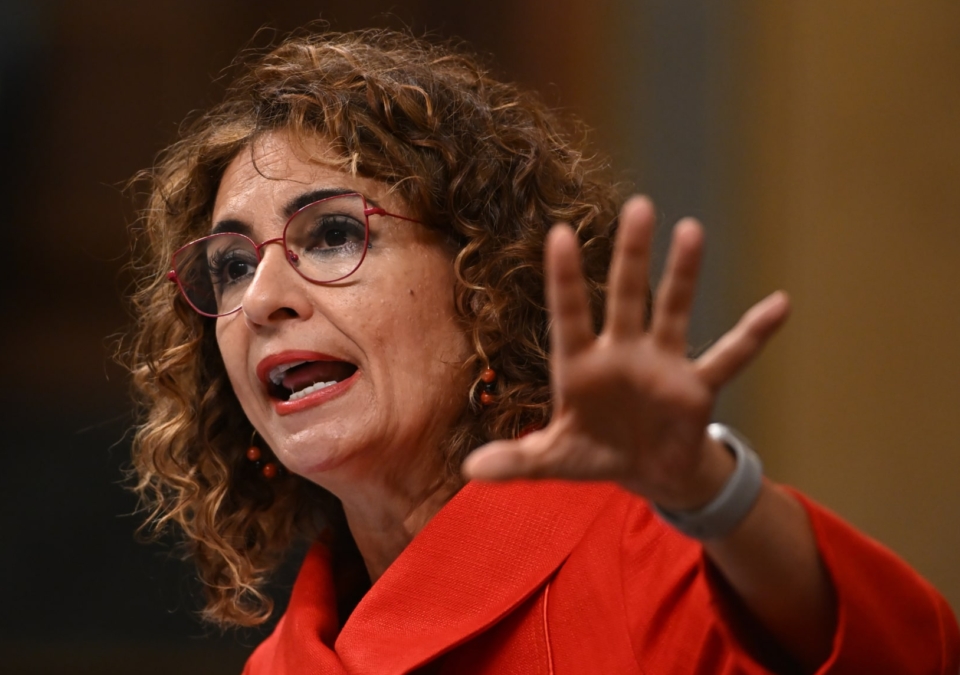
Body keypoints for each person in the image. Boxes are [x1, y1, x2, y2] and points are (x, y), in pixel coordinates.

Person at [125, 28, 959, 674]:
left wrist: (716, 491)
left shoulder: (643, 558)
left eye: (333, 233)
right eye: (232, 265)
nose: (262, 297)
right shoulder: (285, 661)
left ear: (486, 282)